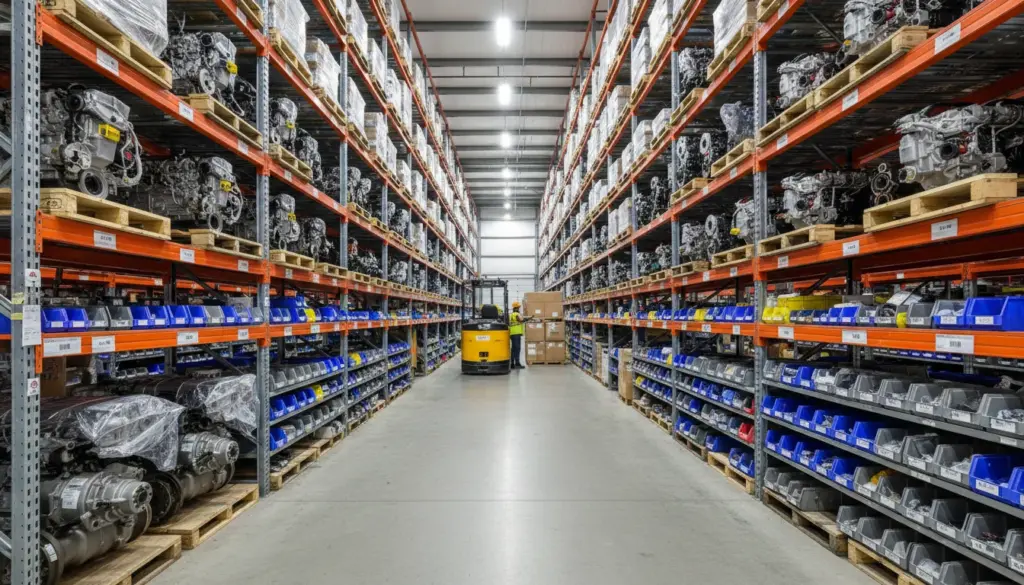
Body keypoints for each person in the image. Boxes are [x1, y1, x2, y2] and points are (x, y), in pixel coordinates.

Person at [509, 301, 529, 369]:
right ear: (516, 308)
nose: (519, 308)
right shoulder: (516, 314)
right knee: (517, 348)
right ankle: (517, 363)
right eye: (518, 307)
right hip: (516, 333)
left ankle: (512, 363)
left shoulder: (511, 315)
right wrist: (528, 319)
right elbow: (520, 320)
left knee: (513, 349)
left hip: (512, 333)